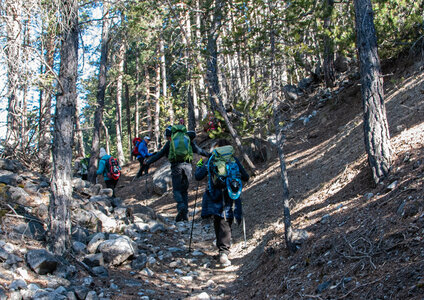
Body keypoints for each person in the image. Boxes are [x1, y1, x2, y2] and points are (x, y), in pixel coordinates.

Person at [194, 139, 249, 267]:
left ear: (217, 148)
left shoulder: (212, 159)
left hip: (214, 195)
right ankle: (223, 252)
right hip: (230, 194)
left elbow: (198, 176)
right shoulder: (233, 159)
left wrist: (200, 165)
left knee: (218, 219)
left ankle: (223, 251)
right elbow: (246, 176)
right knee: (226, 221)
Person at [145, 125, 210, 222]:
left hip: (176, 167)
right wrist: (210, 155)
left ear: (169, 136)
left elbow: (159, 154)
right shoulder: (187, 140)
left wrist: (148, 162)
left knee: (176, 190)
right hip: (187, 167)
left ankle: (181, 206)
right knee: (184, 191)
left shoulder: (170, 143)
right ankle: (185, 215)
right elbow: (199, 150)